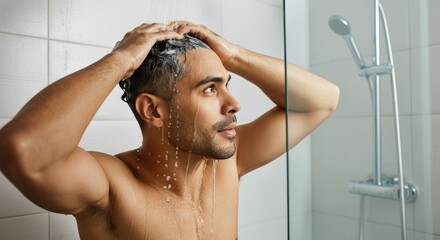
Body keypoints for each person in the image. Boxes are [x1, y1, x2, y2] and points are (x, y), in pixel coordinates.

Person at [0, 22, 339, 239]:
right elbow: (24, 151)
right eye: (209, 88)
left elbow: (323, 100)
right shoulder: (111, 187)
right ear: (153, 110)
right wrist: (121, 60)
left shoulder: (225, 164)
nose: (234, 103)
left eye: (227, 84)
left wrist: (232, 55)